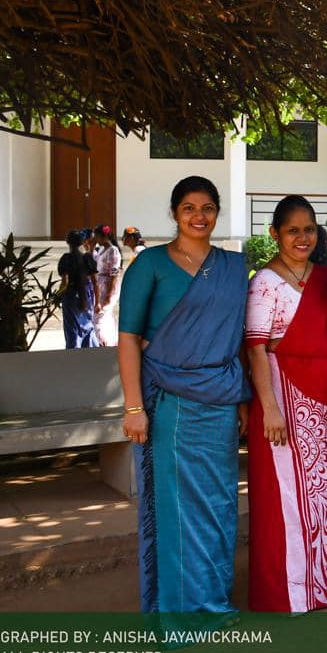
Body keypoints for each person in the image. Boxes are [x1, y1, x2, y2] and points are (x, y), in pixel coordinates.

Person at [118, 176, 250, 626]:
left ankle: (213, 601)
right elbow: (129, 338)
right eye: (189, 208)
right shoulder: (150, 264)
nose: (199, 216)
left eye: (208, 207)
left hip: (220, 401)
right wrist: (133, 407)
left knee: (217, 504)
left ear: (217, 213)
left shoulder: (231, 267)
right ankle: (181, 611)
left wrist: (243, 400)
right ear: (174, 213)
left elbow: (237, 339)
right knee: (178, 508)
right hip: (169, 402)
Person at [245, 195, 327, 613]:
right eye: (292, 231)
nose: (302, 238)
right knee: (285, 493)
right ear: (275, 233)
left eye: (308, 230)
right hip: (283, 395)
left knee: (325, 490)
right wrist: (269, 407)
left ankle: (324, 584)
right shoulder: (265, 282)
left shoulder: (326, 279)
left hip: (326, 398)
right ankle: (289, 591)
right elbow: (255, 348)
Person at [58, 229, 98, 349]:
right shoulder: (87, 258)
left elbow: (64, 282)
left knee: (72, 328)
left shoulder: (66, 259)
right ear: (81, 242)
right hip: (86, 295)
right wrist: (97, 302)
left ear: (68, 242)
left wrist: (58, 295)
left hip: (71, 296)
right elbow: (95, 282)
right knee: (88, 325)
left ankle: (74, 352)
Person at [92, 224, 123, 346]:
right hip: (101, 284)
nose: (96, 239)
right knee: (105, 315)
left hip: (108, 284)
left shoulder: (113, 250)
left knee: (100, 313)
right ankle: (108, 341)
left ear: (103, 236)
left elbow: (114, 272)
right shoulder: (101, 249)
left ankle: (103, 341)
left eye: (97, 236)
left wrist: (110, 293)